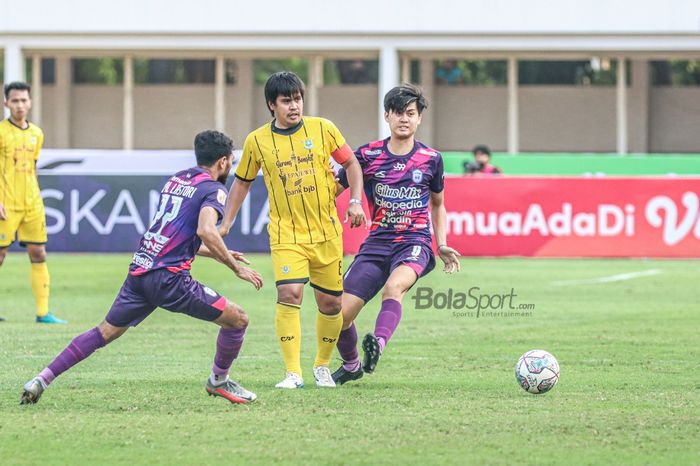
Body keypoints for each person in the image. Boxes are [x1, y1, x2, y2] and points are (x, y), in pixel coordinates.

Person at [20, 130, 263, 405]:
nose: (230, 166)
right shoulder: (214, 189)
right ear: (222, 161)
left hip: (141, 272)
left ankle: (41, 379)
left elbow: (175, 237)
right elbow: (207, 230)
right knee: (238, 320)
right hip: (170, 280)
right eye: (230, 161)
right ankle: (219, 380)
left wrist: (220, 254)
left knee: (104, 332)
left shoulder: (177, 180)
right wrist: (235, 268)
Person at [219, 71, 366, 389]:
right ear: (272, 104)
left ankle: (322, 367)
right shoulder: (257, 141)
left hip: (326, 233)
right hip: (287, 234)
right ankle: (292, 373)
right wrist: (226, 222)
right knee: (290, 294)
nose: (294, 106)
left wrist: (355, 201)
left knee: (330, 304)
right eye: (286, 101)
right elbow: (242, 183)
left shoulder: (323, 129)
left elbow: (352, 164)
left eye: (297, 99)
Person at [332, 84, 461, 385]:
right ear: (387, 116)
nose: (404, 118)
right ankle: (352, 366)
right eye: (399, 113)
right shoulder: (366, 155)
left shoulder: (431, 159)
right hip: (376, 244)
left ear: (419, 120)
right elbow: (332, 191)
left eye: (411, 113)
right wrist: (348, 202)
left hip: (414, 243)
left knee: (394, 288)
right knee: (337, 317)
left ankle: (377, 343)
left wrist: (440, 244)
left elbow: (438, 205)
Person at [0, 82, 66, 323]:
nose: (19, 105)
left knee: (38, 252)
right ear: (6, 103)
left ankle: (43, 312)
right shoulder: (1, 132)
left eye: (23, 100)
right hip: (5, 204)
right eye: (14, 100)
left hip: (32, 204)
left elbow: (33, 166)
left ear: (30, 102)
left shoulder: (37, 133)